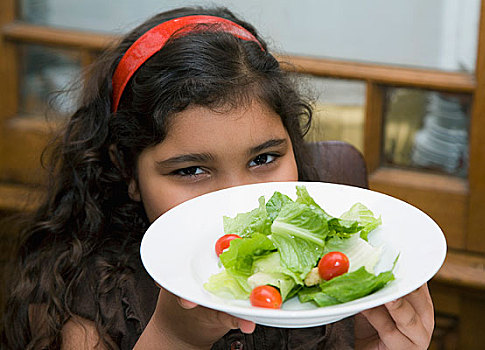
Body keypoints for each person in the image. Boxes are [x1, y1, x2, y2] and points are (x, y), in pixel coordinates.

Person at [1, 6, 434, 350]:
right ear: (125, 171)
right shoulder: (82, 303)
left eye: (264, 158)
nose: (238, 201)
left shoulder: (332, 267)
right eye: (190, 170)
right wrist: (175, 337)